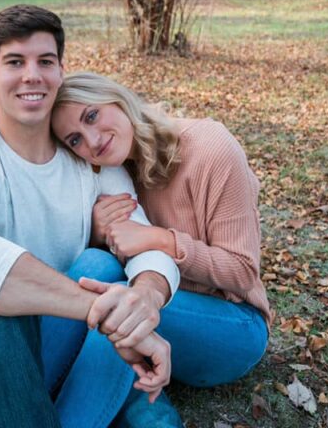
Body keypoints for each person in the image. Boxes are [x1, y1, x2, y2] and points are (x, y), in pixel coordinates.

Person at [0, 5, 186, 428]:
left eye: (45, 61)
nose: (32, 76)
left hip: (64, 341)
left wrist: (143, 300)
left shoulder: (90, 158)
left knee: (103, 265)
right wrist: (98, 308)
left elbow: (145, 243)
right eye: (14, 62)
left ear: (61, 71)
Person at [51, 72, 272, 393]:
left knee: (115, 309)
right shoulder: (111, 174)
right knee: (99, 278)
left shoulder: (211, 147)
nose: (93, 141)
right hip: (154, 307)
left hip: (232, 323)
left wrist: (161, 240)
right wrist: (96, 231)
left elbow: (242, 273)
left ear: (117, 98)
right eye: (75, 140)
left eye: (93, 116)